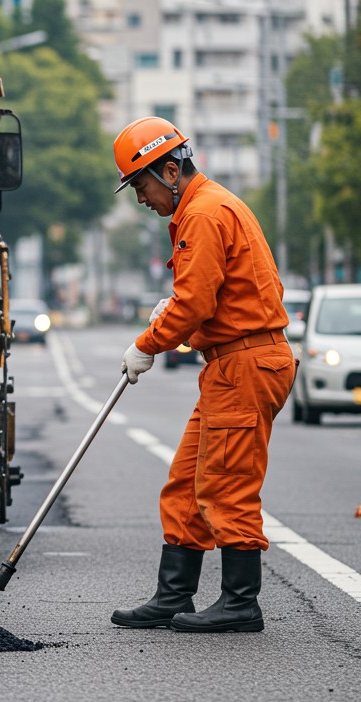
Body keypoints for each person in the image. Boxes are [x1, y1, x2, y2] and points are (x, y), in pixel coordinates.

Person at [109, 116, 295, 633]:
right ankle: (174, 595)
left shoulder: (204, 214)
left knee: (226, 483)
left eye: (141, 185)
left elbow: (194, 303)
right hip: (232, 362)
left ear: (170, 171)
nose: (140, 198)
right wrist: (174, 314)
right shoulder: (210, 207)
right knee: (187, 483)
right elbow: (214, 295)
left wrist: (147, 344)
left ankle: (240, 603)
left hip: (244, 363)